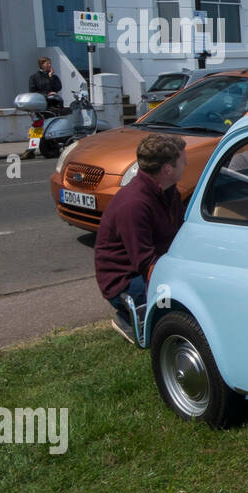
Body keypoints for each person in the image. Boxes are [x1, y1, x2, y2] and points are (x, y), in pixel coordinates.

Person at [94, 133, 187, 341]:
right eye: (183, 160)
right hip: (125, 280)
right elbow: (144, 262)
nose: (187, 163)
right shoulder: (134, 205)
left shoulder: (170, 192)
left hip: (153, 266)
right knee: (183, 297)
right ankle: (127, 317)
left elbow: (182, 235)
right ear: (167, 169)